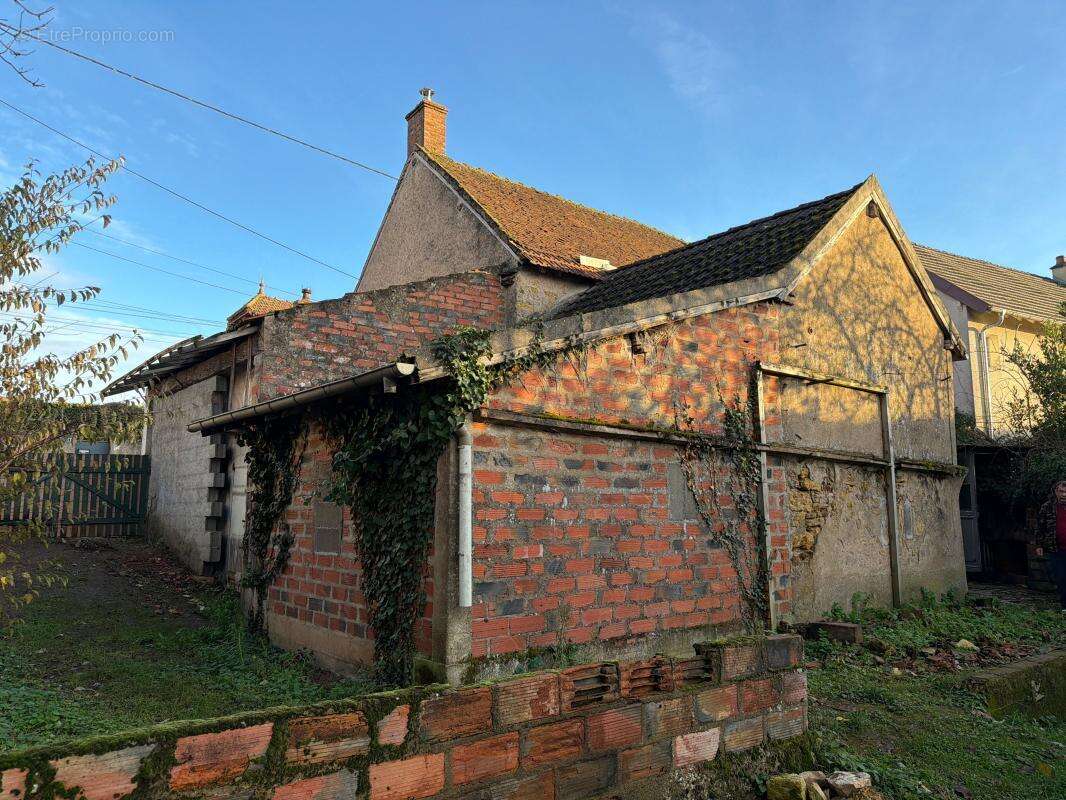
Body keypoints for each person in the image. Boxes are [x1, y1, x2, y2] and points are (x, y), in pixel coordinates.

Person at [1035, 479, 1066, 609]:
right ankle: (1065, 605)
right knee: (1061, 577)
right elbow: (1040, 527)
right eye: (1061, 491)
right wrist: (1039, 545)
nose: (1063, 494)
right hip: (1056, 548)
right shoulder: (1047, 507)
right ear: (1055, 492)